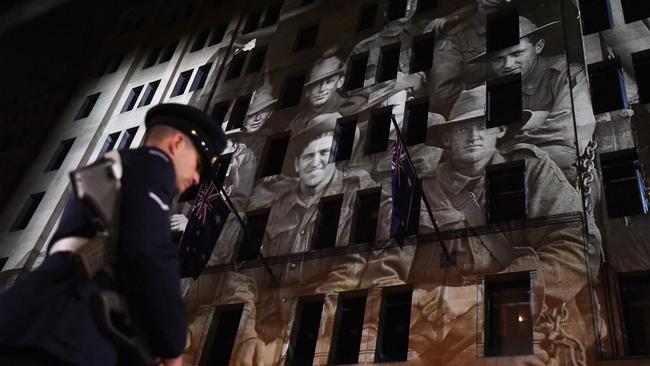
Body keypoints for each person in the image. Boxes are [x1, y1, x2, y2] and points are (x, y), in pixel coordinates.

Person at [0, 103, 226, 366]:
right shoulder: (153, 165)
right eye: (198, 164)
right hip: (62, 331)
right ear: (176, 144)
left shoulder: (120, 166)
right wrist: (172, 345)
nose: (198, 178)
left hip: (35, 321)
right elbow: (149, 254)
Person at [409, 86, 599, 365]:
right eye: (463, 129)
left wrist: (482, 291)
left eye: (483, 125)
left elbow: (582, 247)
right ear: (447, 138)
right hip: (443, 334)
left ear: (498, 130)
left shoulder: (530, 171)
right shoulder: (426, 191)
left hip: (526, 319)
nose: (474, 135)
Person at [472, 16, 596, 185]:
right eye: (498, 59)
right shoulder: (487, 90)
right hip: (507, 163)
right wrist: (536, 120)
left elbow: (567, 132)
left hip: (550, 162)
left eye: (517, 53)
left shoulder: (567, 74)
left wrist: (506, 144)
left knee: (559, 157)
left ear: (538, 47)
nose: (508, 64)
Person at [429, 0, 510, 118]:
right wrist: (487, 88)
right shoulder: (455, 38)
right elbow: (442, 95)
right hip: (474, 115)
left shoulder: (520, 22)